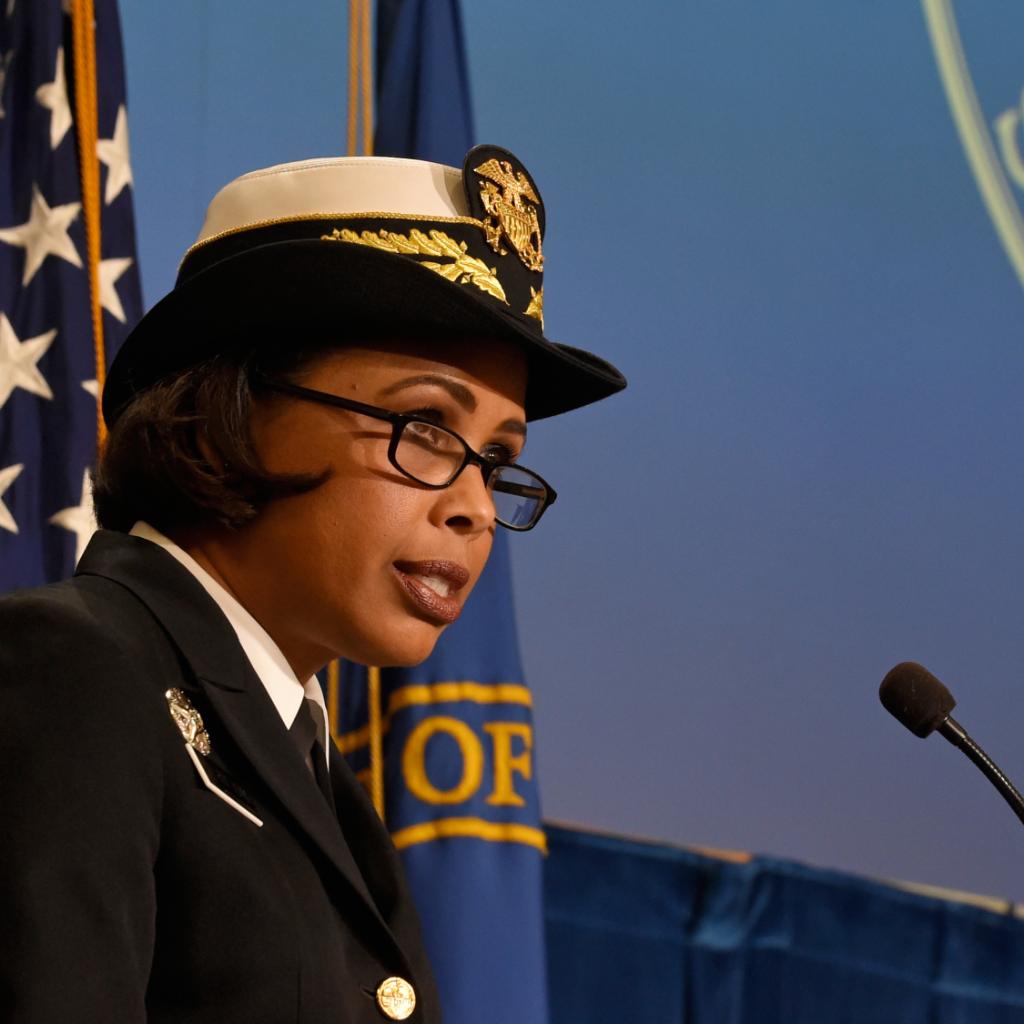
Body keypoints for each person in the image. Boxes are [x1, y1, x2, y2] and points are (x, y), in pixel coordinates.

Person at [0, 145, 625, 1023]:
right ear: (223, 418)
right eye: (427, 426)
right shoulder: (79, 668)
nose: (476, 508)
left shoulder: (319, 774)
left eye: (495, 459)